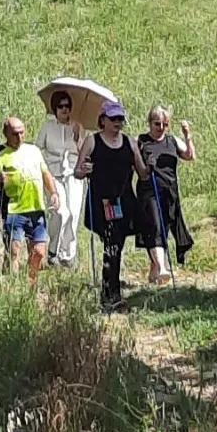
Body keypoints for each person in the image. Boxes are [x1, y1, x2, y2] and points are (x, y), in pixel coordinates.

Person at [75, 99, 151, 311]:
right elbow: (77, 172)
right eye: (114, 118)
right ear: (103, 120)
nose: (118, 122)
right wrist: (86, 170)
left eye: (121, 119)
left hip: (125, 201)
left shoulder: (129, 142)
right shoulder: (92, 141)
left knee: (117, 245)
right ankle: (111, 295)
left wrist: (150, 165)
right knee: (112, 244)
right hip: (102, 202)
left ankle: (111, 293)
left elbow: (143, 173)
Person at [0, 115, 60, 283]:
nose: (19, 137)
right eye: (15, 133)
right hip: (14, 209)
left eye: (22, 132)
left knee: (39, 251)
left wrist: (54, 193)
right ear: (6, 133)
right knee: (14, 249)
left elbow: (45, 173)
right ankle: (14, 284)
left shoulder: (33, 150)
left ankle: (30, 281)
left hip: (36, 208)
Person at [137, 105, 197, 284]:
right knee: (154, 226)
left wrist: (188, 137)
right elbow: (133, 163)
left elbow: (190, 156)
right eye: (157, 124)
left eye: (165, 124)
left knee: (163, 228)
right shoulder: (140, 141)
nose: (161, 128)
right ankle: (163, 268)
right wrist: (146, 168)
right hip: (149, 191)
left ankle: (154, 269)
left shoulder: (172, 141)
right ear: (150, 123)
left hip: (169, 191)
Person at [36, 90, 84, 268]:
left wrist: (78, 136)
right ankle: (53, 251)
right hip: (53, 174)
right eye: (60, 106)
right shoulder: (48, 127)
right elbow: (37, 148)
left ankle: (68, 255)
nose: (65, 110)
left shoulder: (78, 127)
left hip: (73, 174)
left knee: (73, 214)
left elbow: (83, 153)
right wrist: (41, 170)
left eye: (67, 106)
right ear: (54, 109)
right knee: (60, 212)